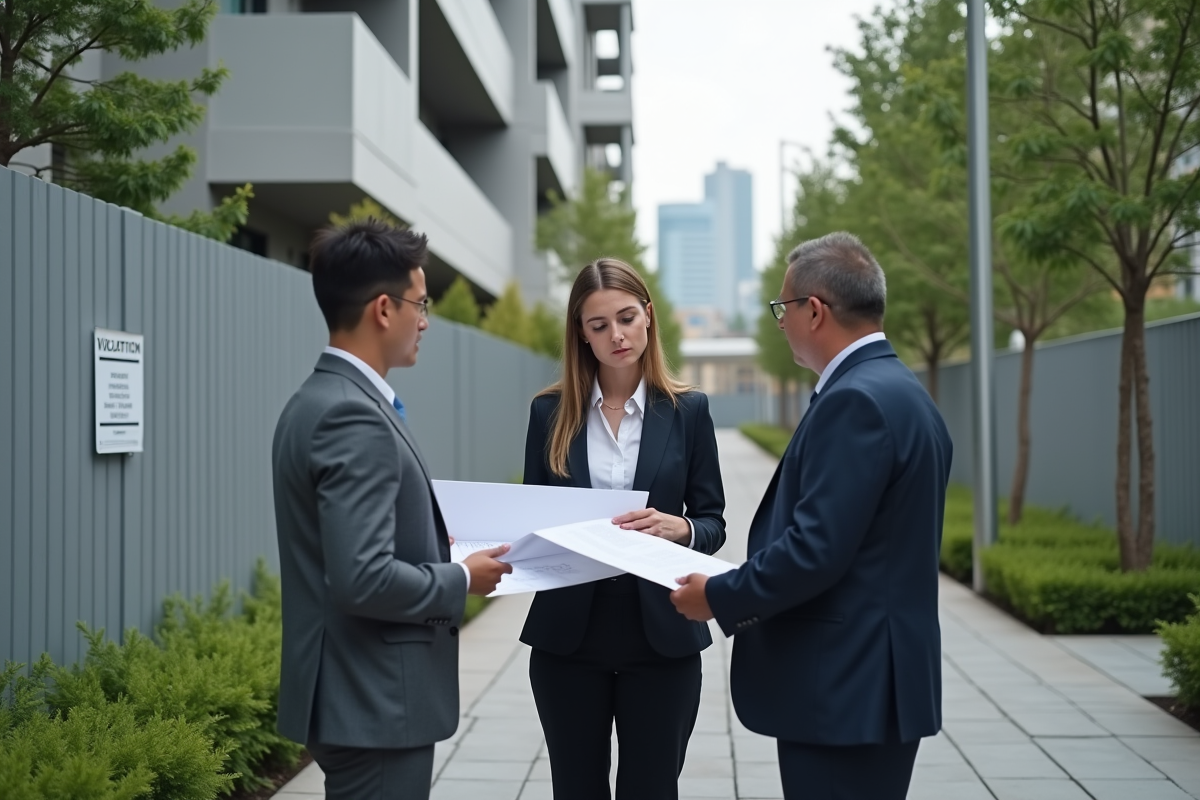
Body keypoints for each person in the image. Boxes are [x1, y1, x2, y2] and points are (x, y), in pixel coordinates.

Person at [671, 232, 952, 800]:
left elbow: (814, 551)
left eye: (782, 308)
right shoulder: (904, 392)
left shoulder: (855, 402)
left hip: (845, 683)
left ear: (815, 311)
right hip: (882, 677)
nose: (781, 322)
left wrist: (719, 595)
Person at [271, 219, 513, 800]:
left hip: (353, 694)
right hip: (374, 700)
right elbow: (363, 578)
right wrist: (461, 578)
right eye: (420, 304)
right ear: (384, 308)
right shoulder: (352, 417)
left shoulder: (316, 400)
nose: (425, 320)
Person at [520, 258, 726, 800]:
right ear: (581, 335)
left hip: (662, 638)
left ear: (649, 318)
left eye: (627, 317)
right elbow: (530, 522)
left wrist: (680, 526)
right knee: (576, 790)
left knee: (652, 790)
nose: (616, 335)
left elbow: (713, 522)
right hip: (568, 639)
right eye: (598, 325)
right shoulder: (549, 414)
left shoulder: (689, 411)